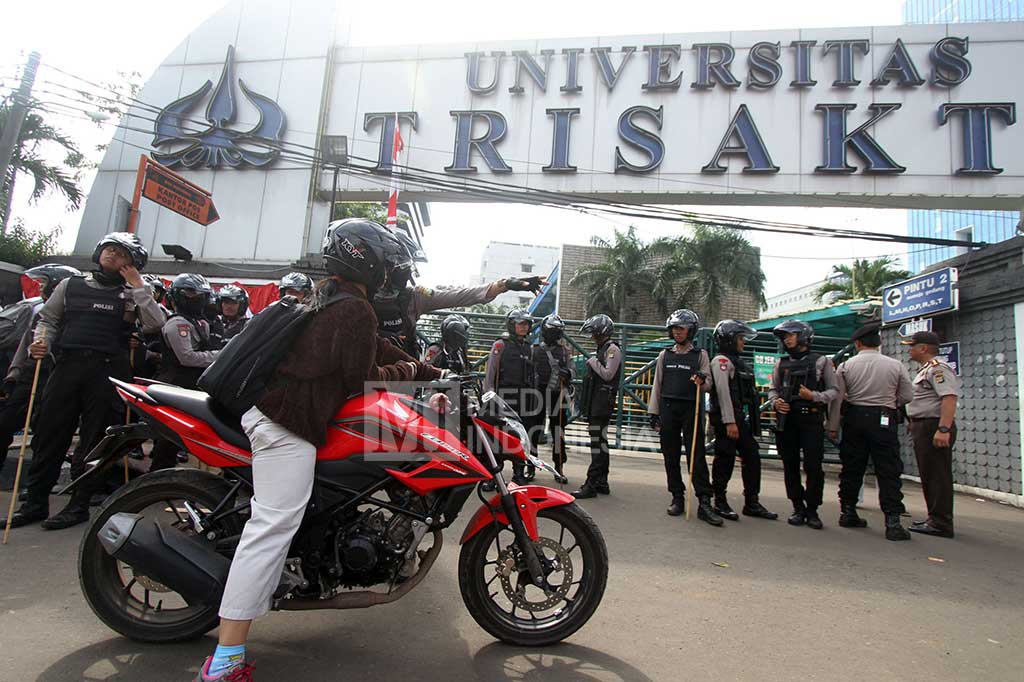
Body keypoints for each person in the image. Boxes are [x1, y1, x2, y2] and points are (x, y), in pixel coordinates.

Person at [194, 218, 442, 682]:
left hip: (277, 415)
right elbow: (360, 379)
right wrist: (411, 370)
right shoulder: (353, 308)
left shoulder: (328, 295)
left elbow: (373, 348)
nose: (391, 274)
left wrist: (421, 365)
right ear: (365, 261)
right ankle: (224, 662)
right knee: (271, 525)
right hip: (285, 425)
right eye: (387, 265)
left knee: (286, 517)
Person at [1, 232, 165, 531]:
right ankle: (34, 503)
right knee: (49, 434)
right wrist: (41, 343)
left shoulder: (133, 293)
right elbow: (48, 320)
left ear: (133, 264)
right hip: (66, 367)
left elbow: (156, 324)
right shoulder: (71, 285)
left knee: (94, 441)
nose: (112, 256)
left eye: (121, 254)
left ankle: (79, 504)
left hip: (106, 372)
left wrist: (140, 288)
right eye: (109, 250)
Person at [826, 321, 914, 541]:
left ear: (857, 343)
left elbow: (837, 398)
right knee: (888, 469)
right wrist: (888, 402)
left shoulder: (847, 366)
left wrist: (833, 426)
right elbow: (907, 396)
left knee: (853, 467)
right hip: (884, 419)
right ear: (879, 342)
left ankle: (848, 512)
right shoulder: (895, 365)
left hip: (855, 418)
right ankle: (892, 522)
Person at [0, 264, 81, 478]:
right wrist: (14, 374)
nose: (41, 289)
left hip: (54, 377)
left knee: (46, 434)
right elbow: (24, 343)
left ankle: (36, 483)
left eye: (44, 284)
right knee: (5, 424)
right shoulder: (39, 313)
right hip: (29, 376)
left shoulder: (76, 317)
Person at [647, 309, 720, 522]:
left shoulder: (700, 355)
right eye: (674, 329)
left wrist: (701, 380)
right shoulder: (665, 355)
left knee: (695, 456)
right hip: (668, 408)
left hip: (691, 409)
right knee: (670, 455)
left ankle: (704, 501)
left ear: (691, 331)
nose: (677, 332)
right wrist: (654, 413)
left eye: (681, 329)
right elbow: (657, 385)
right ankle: (677, 496)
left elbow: (708, 385)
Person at [768, 320, 839, 530]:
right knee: (790, 465)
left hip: (811, 419)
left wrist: (813, 396)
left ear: (803, 336)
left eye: (791, 335)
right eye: (784, 336)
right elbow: (773, 389)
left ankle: (812, 509)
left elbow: (834, 391)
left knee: (813, 467)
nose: (787, 339)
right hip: (787, 421)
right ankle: (797, 507)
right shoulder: (781, 363)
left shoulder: (822, 362)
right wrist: (776, 401)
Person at [708, 320, 778, 522]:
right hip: (726, 419)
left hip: (739, 419)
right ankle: (719, 501)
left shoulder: (737, 362)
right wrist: (730, 422)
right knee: (725, 458)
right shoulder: (721, 361)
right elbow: (723, 394)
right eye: (740, 338)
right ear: (729, 339)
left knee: (752, 456)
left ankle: (752, 502)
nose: (743, 343)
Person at [148, 274, 220, 471]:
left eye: (199, 294)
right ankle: (158, 476)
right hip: (175, 384)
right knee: (169, 437)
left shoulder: (200, 322)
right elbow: (187, 357)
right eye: (189, 293)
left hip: (191, 385)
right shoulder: (177, 323)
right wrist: (220, 355)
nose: (195, 298)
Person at [902, 331, 960, 539]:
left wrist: (943, 429)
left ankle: (941, 523)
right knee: (930, 474)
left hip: (933, 426)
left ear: (923, 348)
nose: (910, 350)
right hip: (924, 426)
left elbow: (949, 398)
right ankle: (934, 518)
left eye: (912, 346)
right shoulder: (927, 369)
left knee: (937, 475)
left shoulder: (938, 369)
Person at [484, 308, 539, 484]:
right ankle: (494, 477)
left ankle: (518, 474)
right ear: (512, 324)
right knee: (497, 437)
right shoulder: (500, 345)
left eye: (527, 324)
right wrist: (490, 395)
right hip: (503, 397)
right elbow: (490, 373)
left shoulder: (528, 347)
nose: (524, 327)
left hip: (523, 398)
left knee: (520, 436)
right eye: (521, 323)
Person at [572, 314, 621, 499]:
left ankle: (591, 483)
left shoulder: (612, 350)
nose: (592, 336)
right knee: (600, 442)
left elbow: (608, 374)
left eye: (594, 333)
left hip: (602, 403)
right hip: (596, 402)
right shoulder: (603, 348)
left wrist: (592, 361)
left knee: (597, 444)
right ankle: (602, 482)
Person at [532, 314, 575, 477]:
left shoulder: (564, 351)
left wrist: (568, 373)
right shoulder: (534, 350)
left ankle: (559, 466)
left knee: (558, 431)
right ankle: (530, 464)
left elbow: (572, 368)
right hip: (537, 394)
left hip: (558, 394)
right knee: (534, 430)